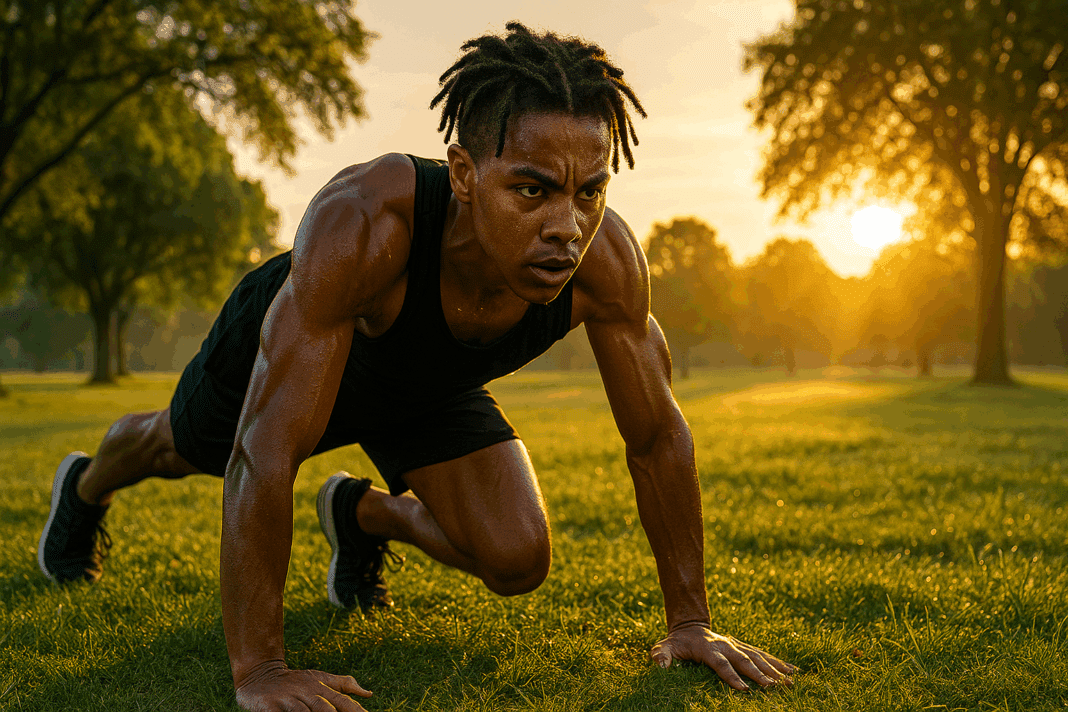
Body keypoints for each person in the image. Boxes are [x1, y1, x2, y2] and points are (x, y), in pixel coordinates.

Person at [37, 22, 794, 712]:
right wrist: (259, 669)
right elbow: (264, 453)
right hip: (316, 345)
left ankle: (361, 513)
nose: (566, 226)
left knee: (516, 556)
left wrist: (691, 621)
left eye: (589, 191)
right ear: (463, 174)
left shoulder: (607, 264)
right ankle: (86, 485)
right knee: (180, 446)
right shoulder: (366, 223)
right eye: (531, 189)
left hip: (428, 382)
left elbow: (657, 438)